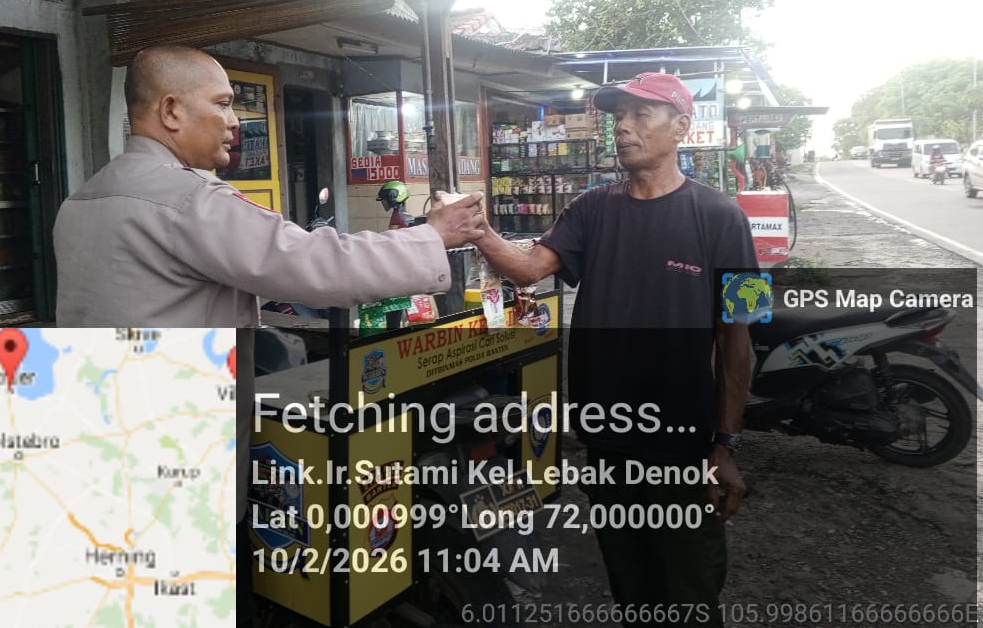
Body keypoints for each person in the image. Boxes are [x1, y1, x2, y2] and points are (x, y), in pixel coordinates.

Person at [53, 44, 486, 624]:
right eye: (222, 104)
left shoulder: (82, 200)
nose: (235, 121)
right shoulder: (187, 199)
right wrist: (432, 236)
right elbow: (317, 264)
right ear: (171, 111)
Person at [472, 73, 755, 627]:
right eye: (618, 116)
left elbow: (739, 337)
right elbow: (528, 270)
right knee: (630, 582)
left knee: (688, 588)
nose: (623, 127)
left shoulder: (724, 218)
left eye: (640, 114)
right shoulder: (590, 209)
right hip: (606, 441)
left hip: (682, 447)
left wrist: (726, 443)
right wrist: (478, 230)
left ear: (681, 127)